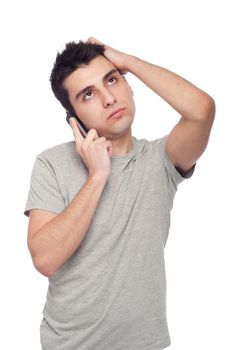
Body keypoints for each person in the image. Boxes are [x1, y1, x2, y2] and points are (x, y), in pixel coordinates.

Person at [24, 37, 215, 350]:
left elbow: (202, 111)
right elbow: (45, 258)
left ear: (128, 85)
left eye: (112, 80)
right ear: (74, 118)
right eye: (88, 94)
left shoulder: (160, 159)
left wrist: (129, 62)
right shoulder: (52, 163)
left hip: (145, 344)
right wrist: (97, 176)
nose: (109, 98)